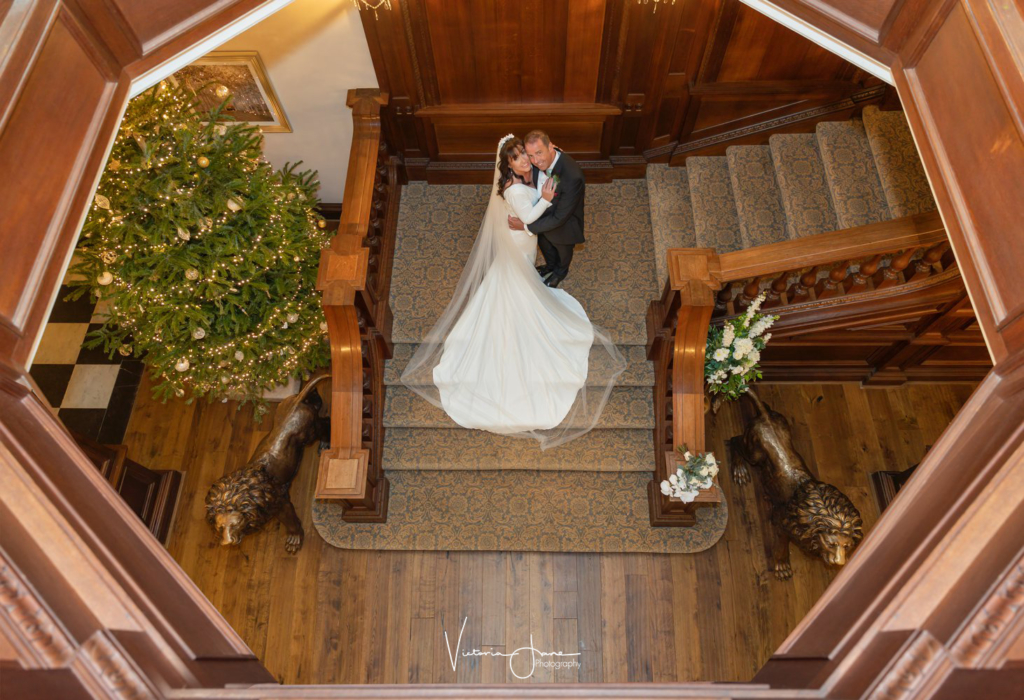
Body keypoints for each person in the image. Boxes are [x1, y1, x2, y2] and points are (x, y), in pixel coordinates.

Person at [399, 134, 625, 449]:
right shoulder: (516, 189)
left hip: (523, 242)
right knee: (517, 286)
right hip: (521, 242)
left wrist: (544, 180)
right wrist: (544, 200)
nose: (525, 161)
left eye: (526, 155)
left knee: (520, 278)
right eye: (518, 157)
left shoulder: (530, 174)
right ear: (507, 164)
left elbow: (544, 172)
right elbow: (529, 217)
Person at [507, 130, 585, 289]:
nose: (535, 161)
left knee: (563, 253)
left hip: (563, 226)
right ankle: (549, 266)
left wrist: (526, 227)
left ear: (550, 147)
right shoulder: (533, 163)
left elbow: (560, 218)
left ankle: (560, 272)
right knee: (546, 246)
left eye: (539, 153)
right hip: (540, 219)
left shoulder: (572, 176)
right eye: (530, 155)